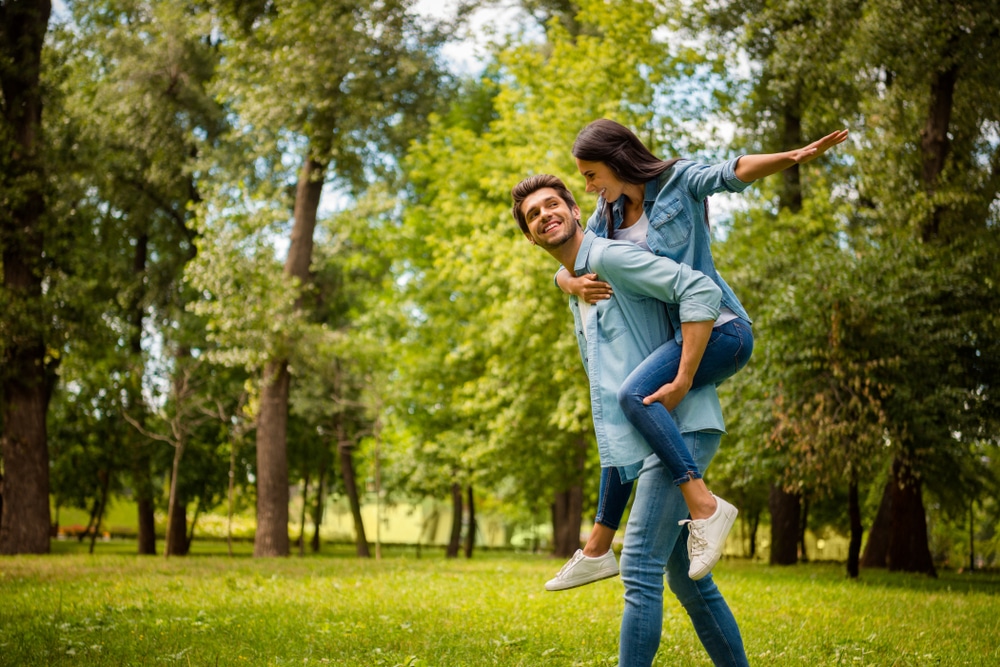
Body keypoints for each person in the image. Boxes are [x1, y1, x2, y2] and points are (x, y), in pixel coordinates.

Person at [547, 119, 849, 587]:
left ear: (616, 159)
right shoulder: (604, 216)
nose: (588, 186)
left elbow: (731, 171)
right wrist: (568, 281)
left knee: (631, 397)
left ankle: (705, 506)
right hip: (679, 336)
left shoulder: (676, 181)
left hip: (723, 329)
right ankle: (598, 548)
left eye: (591, 174)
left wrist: (792, 157)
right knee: (621, 412)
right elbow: (573, 254)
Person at [511, 173, 749, 667]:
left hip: (677, 425)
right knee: (686, 578)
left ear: (577, 211)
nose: (544, 215)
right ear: (529, 236)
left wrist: (683, 378)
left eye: (553, 204)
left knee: (639, 565)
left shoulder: (610, 257)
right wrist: (565, 280)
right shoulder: (579, 282)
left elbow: (699, 290)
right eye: (533, 215)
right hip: (656, 433)